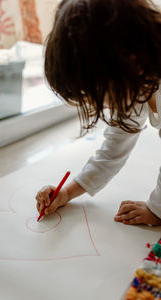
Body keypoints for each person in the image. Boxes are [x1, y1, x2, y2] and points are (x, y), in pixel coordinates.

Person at [36, 0, 161, 225]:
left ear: (132, 64)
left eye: (99, 94)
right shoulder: (137, 78)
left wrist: (157, 209)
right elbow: (113, 150)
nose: (102, 105)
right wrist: (67, 193)